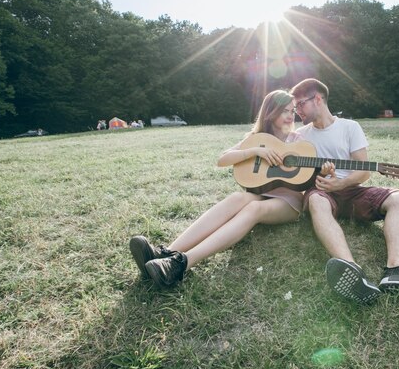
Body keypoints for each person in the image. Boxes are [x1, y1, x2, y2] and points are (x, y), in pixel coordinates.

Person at [290, 78, 399, 304]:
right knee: (316, 201)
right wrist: (320, 179)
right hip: (320, 194)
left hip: (351, 192)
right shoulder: (299, 136)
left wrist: (340, 183)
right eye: (295, 107)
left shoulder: (349, 127)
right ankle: (350, 271)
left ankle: (398, 269)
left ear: (318, 99)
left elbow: (363, 171)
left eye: (300, 104)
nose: (297, 111)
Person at [129, 90, 303, 288]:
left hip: (288, 202)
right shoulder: (257, 138)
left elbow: (309, 168)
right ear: (271, 112)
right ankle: (165, 253)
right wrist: (255, 151)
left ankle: (181, 265)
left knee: (253, 209)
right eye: (284, 111)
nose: (291, 115)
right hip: (261, 193)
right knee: (237, 197)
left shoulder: (297, 139)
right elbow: (222, 159)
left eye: (293, 110)